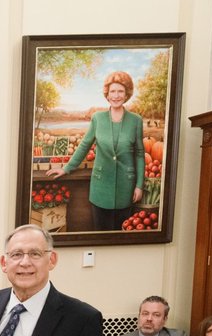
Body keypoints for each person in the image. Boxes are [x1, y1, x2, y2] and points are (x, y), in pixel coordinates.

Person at [46, 70, 145, 231]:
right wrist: (67, 168)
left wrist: (139, 185)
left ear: (127, 94)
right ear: (107, 94)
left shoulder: (136, 121)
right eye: (113, 91)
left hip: (126, 189)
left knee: (123, 238)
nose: (116, 95)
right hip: (100, 189)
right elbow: (85, 145)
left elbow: (140, 155)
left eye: (120, 91)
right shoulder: (97, 118)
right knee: (101, 235)